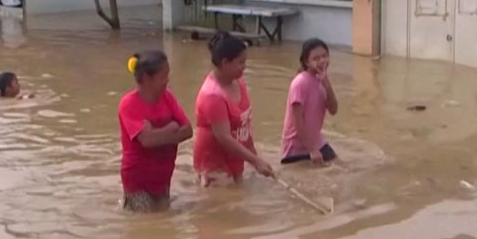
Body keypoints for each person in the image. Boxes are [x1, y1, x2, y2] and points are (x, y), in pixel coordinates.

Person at [193, 31, 274, 186]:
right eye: (240, 62)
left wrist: (255, 156)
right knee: (226, 205)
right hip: (214, 164)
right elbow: (224, 138)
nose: (244, 67)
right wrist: (255, 161)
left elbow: (245, 124)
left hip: (235, 159)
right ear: (225, 63)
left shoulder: (239, 82)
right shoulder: (213, 96)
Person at [118, 51, 193, 211]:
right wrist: (171, 127)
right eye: (163, 76)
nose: (167, 81)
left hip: (163, 179)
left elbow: (188, 131)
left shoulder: (168, 97)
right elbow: (147, 141)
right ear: (146, 78)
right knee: (145, 228)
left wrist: (158, 133)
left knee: (163, 225)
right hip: (137, 183)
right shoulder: (128, 104)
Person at [281, 38, 339, 165]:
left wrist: (327, 85)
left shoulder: (322, 80)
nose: (322, 61)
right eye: (316, 58)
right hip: (296, 148)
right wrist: (312, 149)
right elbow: (298, 122)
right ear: (307, 62)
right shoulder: (300, 83)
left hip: (316, 141)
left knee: (340, 168)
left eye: (324, 56)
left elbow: (333, 110)